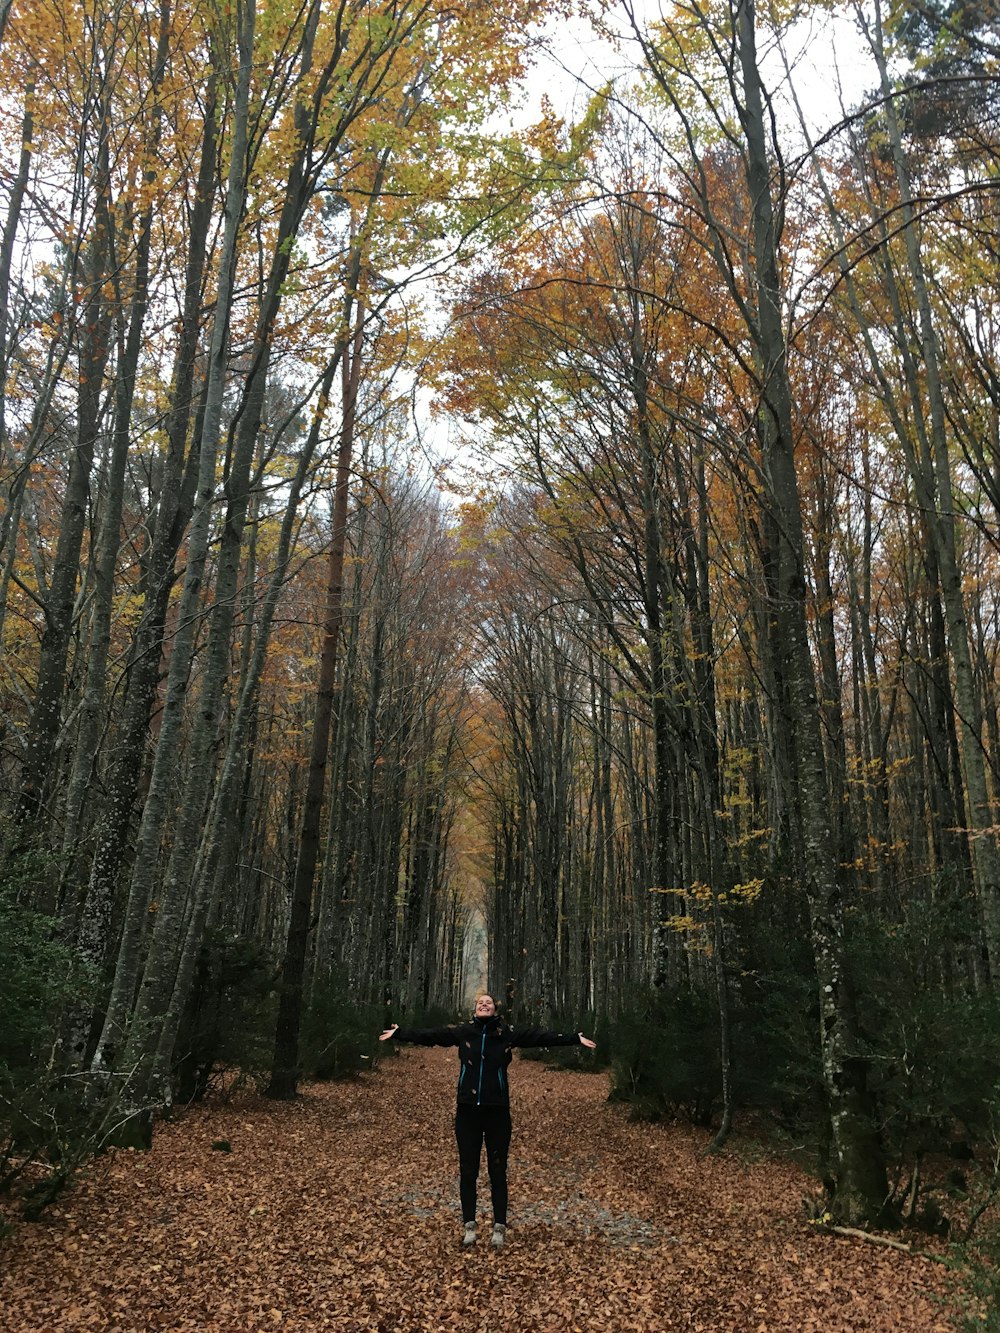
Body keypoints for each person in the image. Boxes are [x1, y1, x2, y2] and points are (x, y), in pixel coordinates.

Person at [379, 993, 597, 1250]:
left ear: (495, 1010)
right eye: (480, 1002)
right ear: (475, 1009)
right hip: (467, 1111)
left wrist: (573, 1038)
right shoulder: (464, 1033)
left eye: (489, 1003)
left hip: (497, 1112)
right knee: (468, 1170)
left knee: (497, 1170)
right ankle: (469, 1226)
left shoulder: (505, 1034)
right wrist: (401, 1033)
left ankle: (499, 1228)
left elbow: (537, 1036)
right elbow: (432, 1036)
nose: (484, 1005)